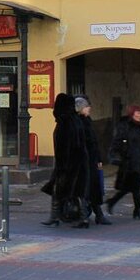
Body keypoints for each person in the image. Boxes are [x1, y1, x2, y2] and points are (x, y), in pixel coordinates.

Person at [41, 93, 89, 229]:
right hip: (79, 162)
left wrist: (62, 167)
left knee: (58, 190)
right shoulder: (76, 120)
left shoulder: (64, 122)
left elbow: (63, 146)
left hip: (67, 164)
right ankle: (83, 218)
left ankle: (55, 217)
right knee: (78, 191)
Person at [106, 104, 140, 220]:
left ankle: (113, 202)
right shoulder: (125, 127)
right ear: (132, 114)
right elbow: (117, 142)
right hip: (128, 162)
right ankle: (137, 210)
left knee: (131, 188)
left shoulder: (139, 127)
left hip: (137, 161)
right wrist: (114, 155)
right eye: (138, 113)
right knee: (133, 187)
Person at [75, 97, 111, 226]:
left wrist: (99, 159)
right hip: (82, 161)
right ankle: (84, 217)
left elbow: (94, 143)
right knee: (85, 189)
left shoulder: (87, 121)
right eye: (86, 106)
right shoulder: (76, 123)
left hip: (91, 160)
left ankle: (98, 216)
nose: (89, 108)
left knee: (94, 188)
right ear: (80, 109)